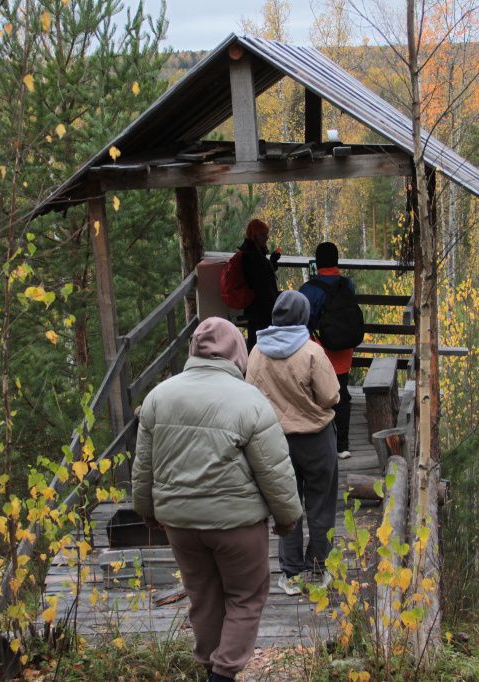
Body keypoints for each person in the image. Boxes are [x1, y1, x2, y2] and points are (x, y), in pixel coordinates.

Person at [132, 317, 302, 682]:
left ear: (194, 349)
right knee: (246, 595)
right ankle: (223, 675)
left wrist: (147, 513)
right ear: (236, 352)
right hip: (236, 525)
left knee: (203, 598)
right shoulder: (250, 401)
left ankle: (210, 668)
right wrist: (287, 518)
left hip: (179, 523)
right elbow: (273, 469)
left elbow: (143, 468)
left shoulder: (159, 397)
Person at [247, 291, 341, 596]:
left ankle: (289, 574)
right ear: (303, 317)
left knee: (286, 506)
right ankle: (319, 568)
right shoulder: (312, 352)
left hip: (275, 440)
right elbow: (331, 396)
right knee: (320, 503)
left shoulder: (257, 352)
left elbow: (249, 396)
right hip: (315, 439)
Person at [299, 242, 358, 460]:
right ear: (336, 261)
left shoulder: (309, 290)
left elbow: (302, 322)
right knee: (342, 393)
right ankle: (342, 446)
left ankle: (320, 443)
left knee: (316, 395)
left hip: (319, 350)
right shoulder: (347, 285)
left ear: (318, 262)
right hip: (344, 350)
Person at [239, 218, 281, 350]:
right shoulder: (252, 256)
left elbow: (263, 276)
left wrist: (272, 262)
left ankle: (253, 366)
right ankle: (255, 367)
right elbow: (261, 281)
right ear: (254, 235)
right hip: (261, 309)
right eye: (263, 234)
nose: (267, 238)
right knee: (259, 342)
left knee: (255, 339)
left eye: (267, 234)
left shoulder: (253, 253)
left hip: (257, 308)